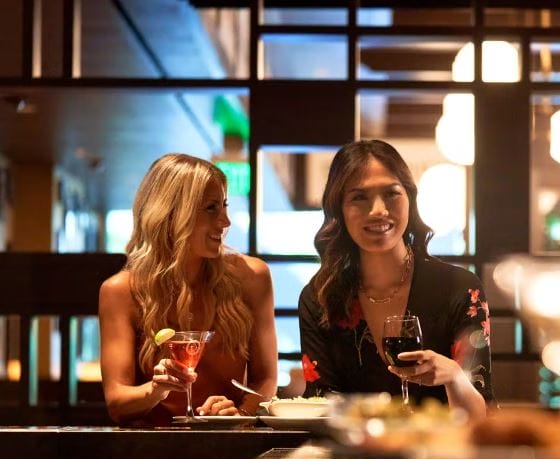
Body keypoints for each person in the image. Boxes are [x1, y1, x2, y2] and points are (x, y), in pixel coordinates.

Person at [298, 139, 492, 420]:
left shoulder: (461, 290)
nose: (378, 209)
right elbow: (320, 405)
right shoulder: (320, 299)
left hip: (441, 457)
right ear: (339, 208)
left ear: (410, 199)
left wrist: (454, 376)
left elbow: (481, 415)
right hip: (356, 458)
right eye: (359, 197)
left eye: (391, 193)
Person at [99, 153, 277, 426]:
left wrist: (241, 415)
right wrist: (156, 389)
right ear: (171, 213)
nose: (226, 221)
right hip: (153, 453)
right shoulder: (120, 291)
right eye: (211, 208)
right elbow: (117, 402)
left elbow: (266, 378)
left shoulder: (252, 276)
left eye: (225, 206)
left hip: (232, 450)